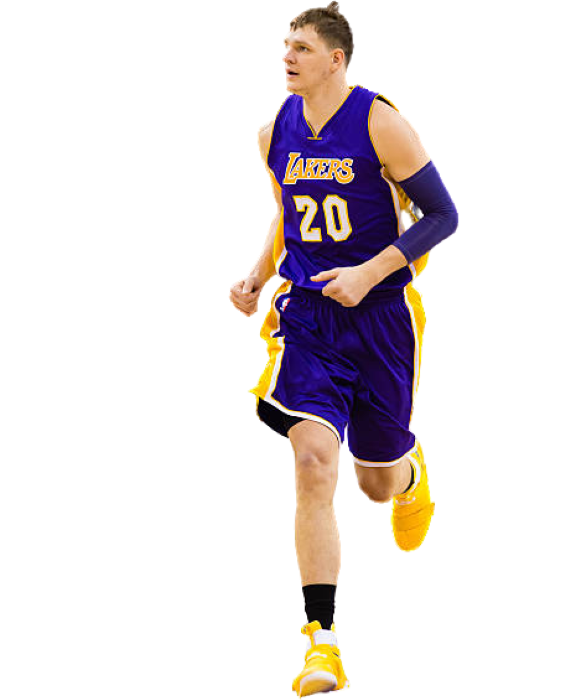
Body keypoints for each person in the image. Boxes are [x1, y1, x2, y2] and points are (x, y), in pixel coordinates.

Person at [227, 3, 458, 697]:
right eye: (284, 46)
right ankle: (321, 645)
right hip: (306, 319)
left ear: (336, 59)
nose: (286, 56)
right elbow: (286, 213)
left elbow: (444, 215)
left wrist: (368, 272)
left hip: (381, 319)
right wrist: (258, 275)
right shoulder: (274, 132)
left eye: (300, 47)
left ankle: (409, 473)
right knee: (311, 462)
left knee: (374, 484)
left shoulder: (382, 123)